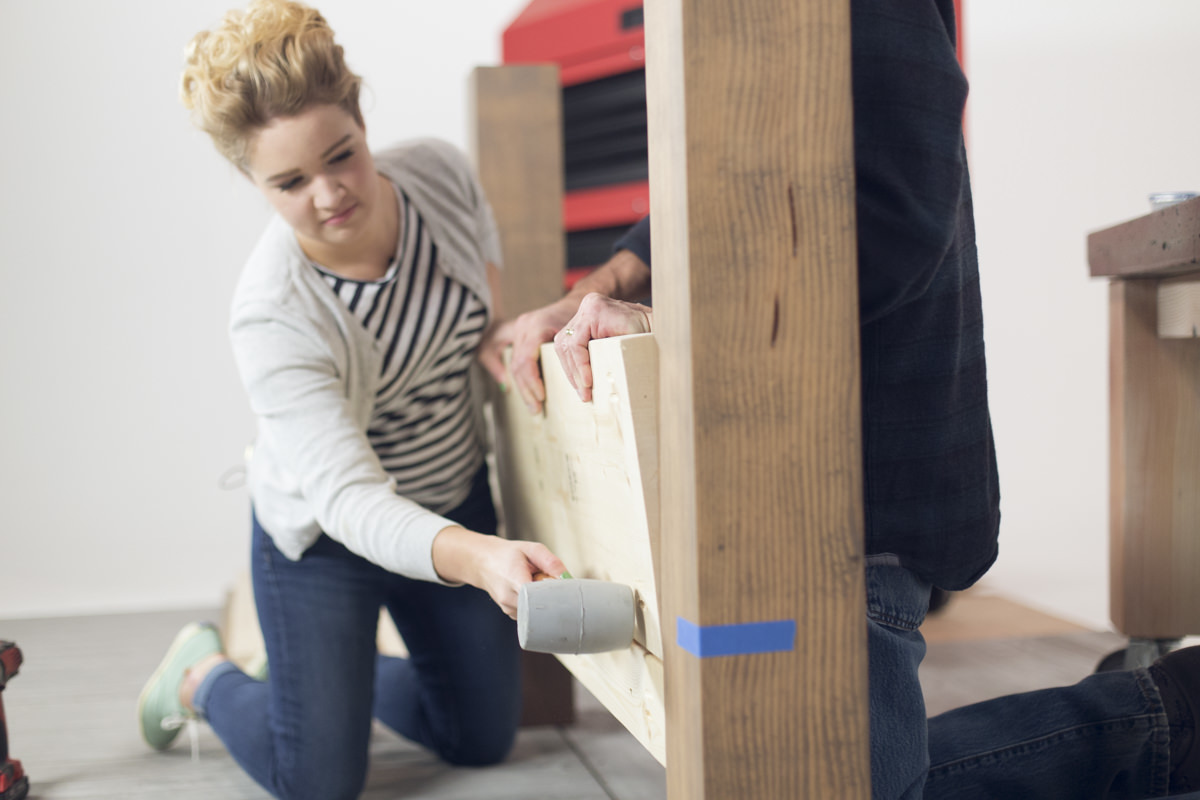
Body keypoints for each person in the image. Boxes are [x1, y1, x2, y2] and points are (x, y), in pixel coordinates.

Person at [487, 1, 1200, 798]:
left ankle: (1171, 715)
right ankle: (1161, 711)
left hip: (853, 484)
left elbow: (894, 206)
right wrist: (602, 284)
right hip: (784, 471)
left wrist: (682, 318)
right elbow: (739, 172)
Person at [136, 2, 566, 798]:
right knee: (320, 782)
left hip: (448, 498)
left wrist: (495, 336)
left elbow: (480, 306)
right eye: (291, 182)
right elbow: (350, 499)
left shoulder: (441, 174)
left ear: (364, 123)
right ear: (251, 181)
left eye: (343, 157)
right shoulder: (271, 313)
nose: (330, 194)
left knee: (479, 741)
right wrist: (483, 560)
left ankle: (321, 686)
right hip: (331, 542)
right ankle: (206, 674)